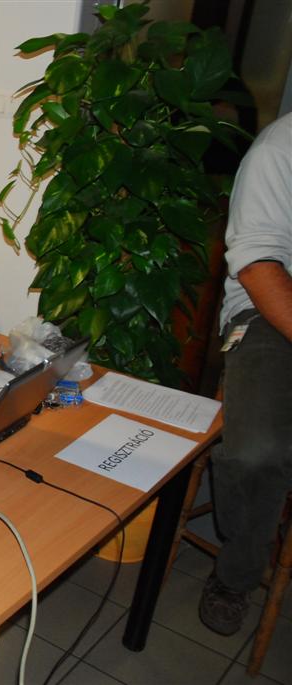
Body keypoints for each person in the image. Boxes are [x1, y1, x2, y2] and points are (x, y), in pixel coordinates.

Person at [198, 112, 292, 636]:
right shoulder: (280, 151)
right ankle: (236, 574)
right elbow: (258, 266)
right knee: (258, 451)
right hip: (269, 308)